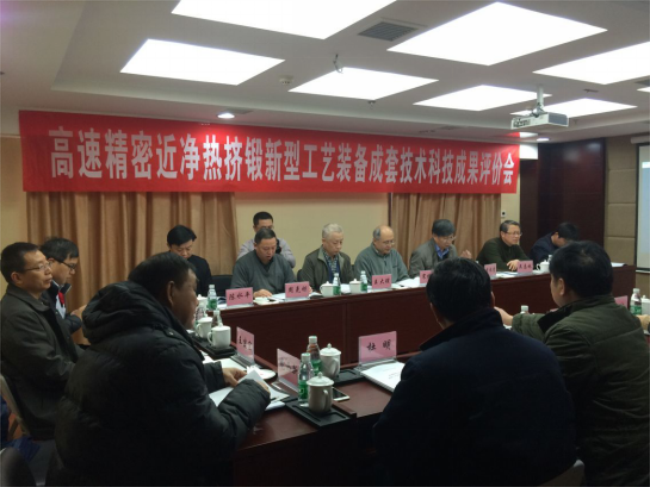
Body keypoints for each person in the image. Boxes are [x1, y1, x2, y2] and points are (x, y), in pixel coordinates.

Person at [52, 252, 270, 487]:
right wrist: (253, 391)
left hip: (85, 470)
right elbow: (215, 442)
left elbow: (147, 382)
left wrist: (215, 375)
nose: (197, 301)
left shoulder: (121, 329)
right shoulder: (162, 349)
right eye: (193, 290)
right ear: (170, 291)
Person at [374, 258, 576, 486]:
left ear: (435, 311)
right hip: (551, 476)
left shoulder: (428, 368)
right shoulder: (543, 353)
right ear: (492, 301)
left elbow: (389, 440)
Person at [497, 242, 650, 487]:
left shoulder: (571, 334)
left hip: (609, 465)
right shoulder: (623, 316)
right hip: (639, 452)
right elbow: (556, 323)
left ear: (561, 285)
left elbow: (545, 404)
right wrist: (511, 320)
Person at [0, 242, 81, 439]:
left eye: (47, 264)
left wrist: (95, 362)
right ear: (17, 278)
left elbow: (67, 346)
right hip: (47, 404)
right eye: (39, 267)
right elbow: (51, 369)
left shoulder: (38, 300)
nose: (48, 271)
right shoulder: (18, 315)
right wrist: (94, 372)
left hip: (57, 390)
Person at [232, 228, 295, 297]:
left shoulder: (282, 261)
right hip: (255, 303)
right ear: (255, 246)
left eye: (273, 248)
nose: (270, 252)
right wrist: (253, 295)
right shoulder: (242, 264)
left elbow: (293, 287)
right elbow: (234, 294)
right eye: (266, 249)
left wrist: (302, 290)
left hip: (280, 302)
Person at [40, 237, 85, 334]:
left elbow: (57, 321)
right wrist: (77, 318)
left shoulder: (58, 288)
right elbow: (52, 333)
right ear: (50, 263)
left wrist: (74, 315)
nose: (73, 272)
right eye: (71, 266)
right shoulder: (39, 291)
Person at [301, 223, 354, 290]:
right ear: (324, 241)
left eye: (341, 242)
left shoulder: (345, 259)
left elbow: (351, 284)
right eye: (335, 243)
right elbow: (308, 289)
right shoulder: (311, 260)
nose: (339, 246)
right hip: (321, 296)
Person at [167, 224, 212, 296]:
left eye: (188, 249)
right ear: (169, 246)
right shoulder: (159, 265)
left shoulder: (201, 264)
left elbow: (209, 292)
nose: (184, 253)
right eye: (179, 250)